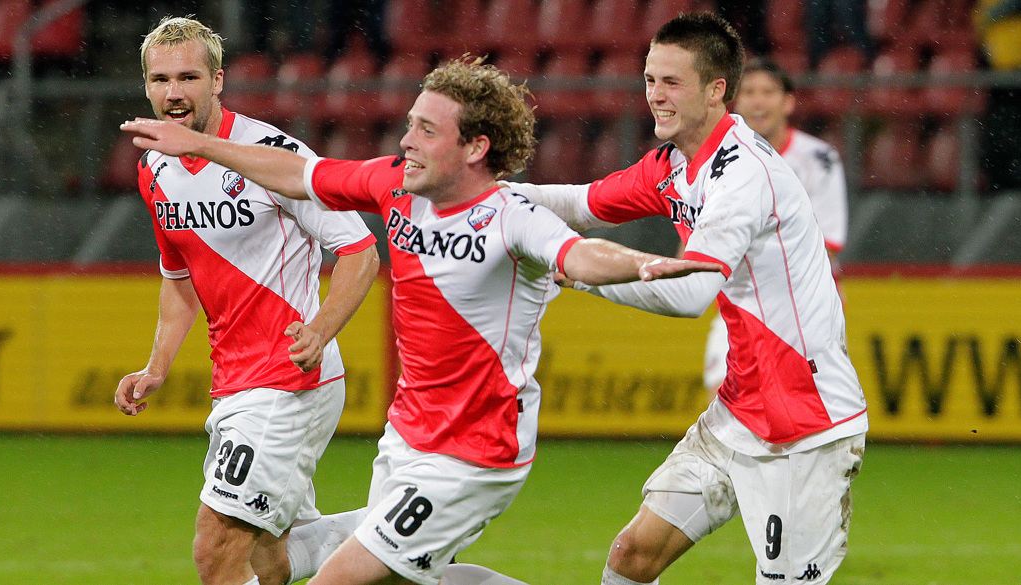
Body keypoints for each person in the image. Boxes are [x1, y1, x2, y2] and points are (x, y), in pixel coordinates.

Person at [122, 57, 723, 585]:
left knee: (338, 578)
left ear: (475, 147)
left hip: (475, 453)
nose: (407, 140)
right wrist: (200, 145)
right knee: (391, 577)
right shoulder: (396, 186)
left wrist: (644, 265)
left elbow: (581, 255)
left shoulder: (512, 216)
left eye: (426, 130)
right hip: (408, 437)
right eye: (410, 124)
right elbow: (298, 175)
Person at [508, 13, 867, 585]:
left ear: (715, 90)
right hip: (740, 410)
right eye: (650, 80)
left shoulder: (743, 175)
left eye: (672, 82)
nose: (655, 95)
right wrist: (486, 197)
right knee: (633, 554)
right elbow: (581, 203)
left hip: (807, 422)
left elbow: (690, 293)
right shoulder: (674, 164)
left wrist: (579, 272)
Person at [112, 17, 381, 585]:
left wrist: (321, 329)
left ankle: (414, 529)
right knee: (268, 559)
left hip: (288, 379)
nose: (174, 93)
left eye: (188, 77)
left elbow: (360, 251)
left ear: (218, 81)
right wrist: (157, 365)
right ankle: (402, 532)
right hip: (234, 381)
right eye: (161, 80)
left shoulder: (272, 154)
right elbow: (179, 276)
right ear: (146, 87)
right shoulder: (153, 167)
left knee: (215, 551)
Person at [700, 57, 849, 391]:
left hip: (805, 307)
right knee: (722, 393)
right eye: (749, 92)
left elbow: (828, 246)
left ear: (788, 102)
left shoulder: (818, 160)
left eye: (767, 92)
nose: (758, 101)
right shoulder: (717, 159)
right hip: (742, 300)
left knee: (799, 409)